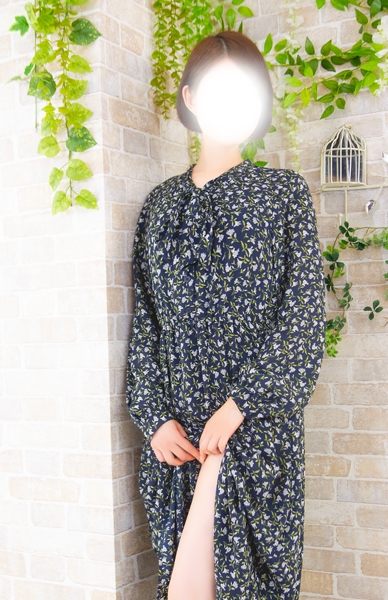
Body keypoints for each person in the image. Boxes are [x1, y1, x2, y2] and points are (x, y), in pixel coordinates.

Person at [125, 30, 326, 600]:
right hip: (178, 441)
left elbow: (303, 319)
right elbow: (148, 325)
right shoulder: (160, 206)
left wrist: (239, 406)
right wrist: (154, 417)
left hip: (254, 430)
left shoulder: (282, 195)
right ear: (190, 98)